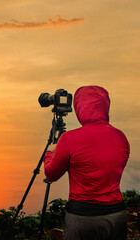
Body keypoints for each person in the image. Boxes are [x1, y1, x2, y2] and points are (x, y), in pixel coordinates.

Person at [43, 85, 130, 240]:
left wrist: (49, 153)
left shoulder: (69, 139)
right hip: (116, 214)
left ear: (79, 107)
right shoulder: (121, 137)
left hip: (82, 217)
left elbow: (51, 174)